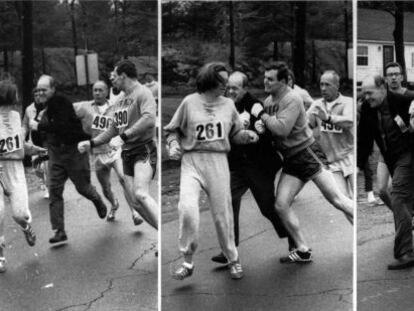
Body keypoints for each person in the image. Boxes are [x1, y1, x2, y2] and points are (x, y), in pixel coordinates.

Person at [250, 62, 353, 263]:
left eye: (270, 79)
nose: (266, 81)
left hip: (307, 153)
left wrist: (261, 114)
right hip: (291, 158)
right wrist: (261, 126)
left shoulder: (292, 98)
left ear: (282, 81)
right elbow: (272, 131)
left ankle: (358, 231)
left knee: (337, 199)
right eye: (265, 77)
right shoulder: (269, 100)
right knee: (280, 205)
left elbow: (281, 129)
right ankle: (303, 249)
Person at [164, 62, 259, 280]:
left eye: (227, 82)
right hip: (192, 161)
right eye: (222, 82)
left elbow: (235, 133)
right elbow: (172, 131)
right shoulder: (189, 102)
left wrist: (246, 136)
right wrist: (172, 145)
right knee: (187, 209)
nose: (226, 86)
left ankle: (233, 259)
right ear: (209, 80)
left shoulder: (227, 105)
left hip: (218, 161)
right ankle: (187, 262)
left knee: (222, 215)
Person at [210, 71, 293, 264]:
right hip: (237, 165)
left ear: (244, 88)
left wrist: (248, 132)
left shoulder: (254, 105)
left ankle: (294, 240)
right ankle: (229, 250)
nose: (230, 91)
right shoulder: (224, 105)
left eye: (235, 88)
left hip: (259, 165)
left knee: (267, 207)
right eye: (228, 87)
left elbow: (265, 136)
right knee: (228, 200)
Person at [78, 60, 159, 230]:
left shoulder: (143, 93)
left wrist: (125, 135)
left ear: (123, 76)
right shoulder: (121, 100)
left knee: (141, 194)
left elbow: (149, 119)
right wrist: (91, 143)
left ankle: (160, 236)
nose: (113, 79)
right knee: (135, 203)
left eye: (115, 76)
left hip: (144, 148)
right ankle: (158, 230)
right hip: (127, 152)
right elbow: (113, 128)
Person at [32, 75, 108, 244]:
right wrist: (38, 134)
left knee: (83, 188)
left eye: (44, 89)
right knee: (54, 191)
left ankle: (97, 199)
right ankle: (59, 231)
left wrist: (39, 125)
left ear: (53, 89)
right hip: (56, 154)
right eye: (39, 90)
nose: (41, 93)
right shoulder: (39, 107)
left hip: (74, 151)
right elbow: (40, 136)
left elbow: (62, 128)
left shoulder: (62, 102)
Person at [359, 74, 414, 270]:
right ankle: (407, 225)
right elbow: (364, 138)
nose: (366, 97)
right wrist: (359, 163)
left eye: (369, 93)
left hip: (408, 155)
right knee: (393, 195)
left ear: (383, 88)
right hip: (390, 158)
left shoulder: (404, 100)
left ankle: (406, 252)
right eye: (363, 93)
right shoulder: (367, 108)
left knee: (398, 195)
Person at [73, 80, 143, 225]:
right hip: (97, 154)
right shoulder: (85, 107)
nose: (97, 93)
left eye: (100, 90)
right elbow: (66, 109)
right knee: (105, 188)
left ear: (107, 92)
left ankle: (135, 213)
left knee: (123, 179)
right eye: (95, 90)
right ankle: (114, 203)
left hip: (115, 150)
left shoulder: (116, 107)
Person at [0, 80, 46, 272]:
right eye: (15, 93)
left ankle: (26, 227)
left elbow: (20, 145)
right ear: (10, 95)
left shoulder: (15, 116)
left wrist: (37, 149)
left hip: (15, 168)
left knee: (20, 214)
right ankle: (0, 255)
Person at [307, 70, 354, 198]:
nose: (323, 88)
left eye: (327, 85)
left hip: (350, 156)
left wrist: (327, 118)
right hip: (332, 161)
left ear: (337, 86)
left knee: (355, 199)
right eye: (321, 84)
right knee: (343, 200)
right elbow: (305, 127)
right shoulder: (317, 105)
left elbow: (349, 122)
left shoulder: (348, 102)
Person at [22, 88, 49, 199]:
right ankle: (42, 180)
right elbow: (25, 125)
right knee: (37, 169)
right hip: (34, 142)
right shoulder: (29, 109)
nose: (38, 97)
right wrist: (22, 135)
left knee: (47, 167)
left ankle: (49, 188)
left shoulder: (49, 108)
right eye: (36, 95)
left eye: (40, 95)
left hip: (47, 142)